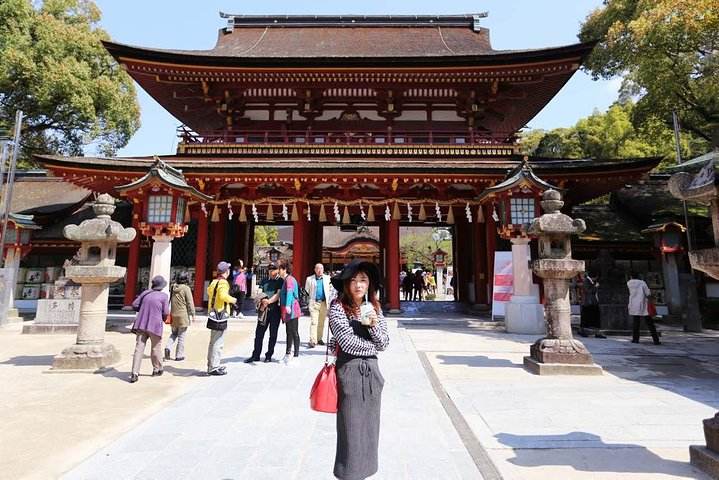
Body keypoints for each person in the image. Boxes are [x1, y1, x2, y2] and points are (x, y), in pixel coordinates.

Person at [328, 260, 389, 480]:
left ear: (369, 284)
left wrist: (372, 326)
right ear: (346, 284)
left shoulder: (375, 308)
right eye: (353, 280)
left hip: (372, 374)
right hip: (350, 372)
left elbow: (384, 342)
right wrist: (372, 347)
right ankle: (348, 474)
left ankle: (366, 472)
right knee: (351, 429)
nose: (358, 285)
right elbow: (347, 342)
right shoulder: (338, 307)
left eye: (363, 280)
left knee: (370, 428)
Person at [129, 275, 169, 383]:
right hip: (155, 324)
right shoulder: (164, 296)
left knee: (139, 348)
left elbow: (134, 304)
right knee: (156, 347)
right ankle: (157, 369)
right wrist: (162, 318)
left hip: (141, 323)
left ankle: (134, 373)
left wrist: (143, 309)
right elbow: (166, 312)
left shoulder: (145, 293)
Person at [244, 263, 283, 363]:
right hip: (263, 309)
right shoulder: (264, 280)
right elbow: (259, 292)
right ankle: (256, 355)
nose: (271, 271)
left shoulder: (280, 281)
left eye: (274, 269)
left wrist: (268, 301)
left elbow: (278, 294)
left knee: (273, 334)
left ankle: (269, 355)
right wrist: (262, 300)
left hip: (275, 310)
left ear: (277, 270)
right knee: (259, 333)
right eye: (270, 269)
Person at [206, 261, 237, 375]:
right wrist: (233, 300)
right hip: (220, 315)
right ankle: (214, 367)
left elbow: (210, 293)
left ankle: (211, 364)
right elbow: (223, 296)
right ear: (226, 272)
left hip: (213, 314)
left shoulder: (214, 282)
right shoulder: (223, 283)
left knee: (213, 341)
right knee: (218, 342)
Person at [164, 272, 195, 361]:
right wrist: (193, 314)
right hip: (183, 315)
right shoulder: (186, 288)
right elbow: (190, 302)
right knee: (181, 336)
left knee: (174, 334)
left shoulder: (173, 287)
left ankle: (168, 347)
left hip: (173, 315)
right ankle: (179, 355)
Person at [627, 272, 661, 345]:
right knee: (650, 323)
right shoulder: (642, 283)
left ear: (631, 277)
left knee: (636, 322)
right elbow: (648, 293)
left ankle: (635, 339)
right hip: (643, 304)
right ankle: (656, 340)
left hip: (634, 304)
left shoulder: (629, 283)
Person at [278, 259, 301, 365]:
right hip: (288, 309)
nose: (278, 271)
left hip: (292, 308)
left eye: (280, 269)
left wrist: (287, 305)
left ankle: (296, 355)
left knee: (294, 331)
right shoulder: (286, 280)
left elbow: (290, 292)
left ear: (284, 269)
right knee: (289, 331)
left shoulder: (289, 279)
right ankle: (288, 354)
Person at [305, 262, 333, 348]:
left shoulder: (328, 278)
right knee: (314, 322)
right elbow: (307, 291)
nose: (319, 270)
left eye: (321, 268)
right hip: (314, 302)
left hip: (324, 303)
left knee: (321, 322)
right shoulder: (309, 279)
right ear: (315, 270)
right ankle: (312, 340)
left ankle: (319, 338)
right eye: (317, 268)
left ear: (323, 270)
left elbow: (331, 290)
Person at [578, 273, 606, 339]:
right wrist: (595, 287)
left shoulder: (591, 281)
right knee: (585, 318)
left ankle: (597, 332)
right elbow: (588, 291)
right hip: (588, 302)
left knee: (596, 318)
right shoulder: (586, 281)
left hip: (593, 302)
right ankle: (582, 331)